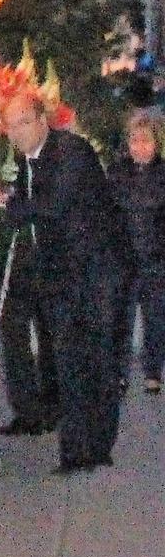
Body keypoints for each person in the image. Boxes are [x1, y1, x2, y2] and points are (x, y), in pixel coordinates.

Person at [0, 92, 127, 470]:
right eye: (10, 126)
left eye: (23, 123)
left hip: (93, 271)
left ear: (42, 121)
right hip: (57, 272)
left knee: (91, 359)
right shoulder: (25, 159)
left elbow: (55, 205)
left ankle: (91, 447)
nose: (16, 133)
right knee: (69, 360)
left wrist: (6, 203)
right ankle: (80, 448)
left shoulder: (71, 151)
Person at [109, 108, 165, 394]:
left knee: (156, 319)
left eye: (146, 142)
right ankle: (119, 372)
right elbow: (109, 214)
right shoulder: (117, 173)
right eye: (135, 141)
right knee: (122, 319)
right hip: (125, 258)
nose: (140, 148)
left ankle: (153, 371)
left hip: (155, 258)